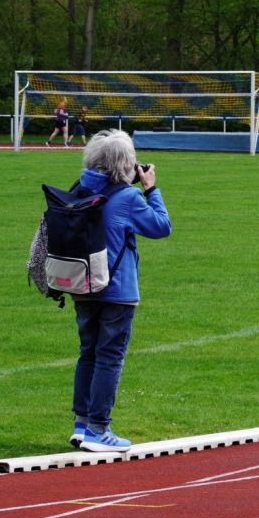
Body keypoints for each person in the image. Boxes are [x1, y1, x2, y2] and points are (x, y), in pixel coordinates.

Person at [67, 130, 172, 452]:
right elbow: (161, 226)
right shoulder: (127, 198)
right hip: (116, 289)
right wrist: (150, 189)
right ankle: (99, 429)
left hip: (82, 282)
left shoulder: (80, 188)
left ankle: (82, 423)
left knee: (88, 352)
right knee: (109, 357)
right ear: (125, 163)